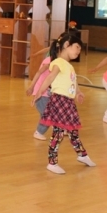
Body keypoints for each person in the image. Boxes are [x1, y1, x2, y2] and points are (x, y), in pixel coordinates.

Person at [33, 33, 95, 174]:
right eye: (77, 47)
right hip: (59, 101)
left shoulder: (69, 66)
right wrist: (39, 92)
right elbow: (50, 78)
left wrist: (78, 92)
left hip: (68, 102)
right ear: (67, 45)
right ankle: (52, 163)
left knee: (73, 131)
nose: (79, 51)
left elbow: (73, 81)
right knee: (58, 133)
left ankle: (82, 155)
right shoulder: (59, 62)